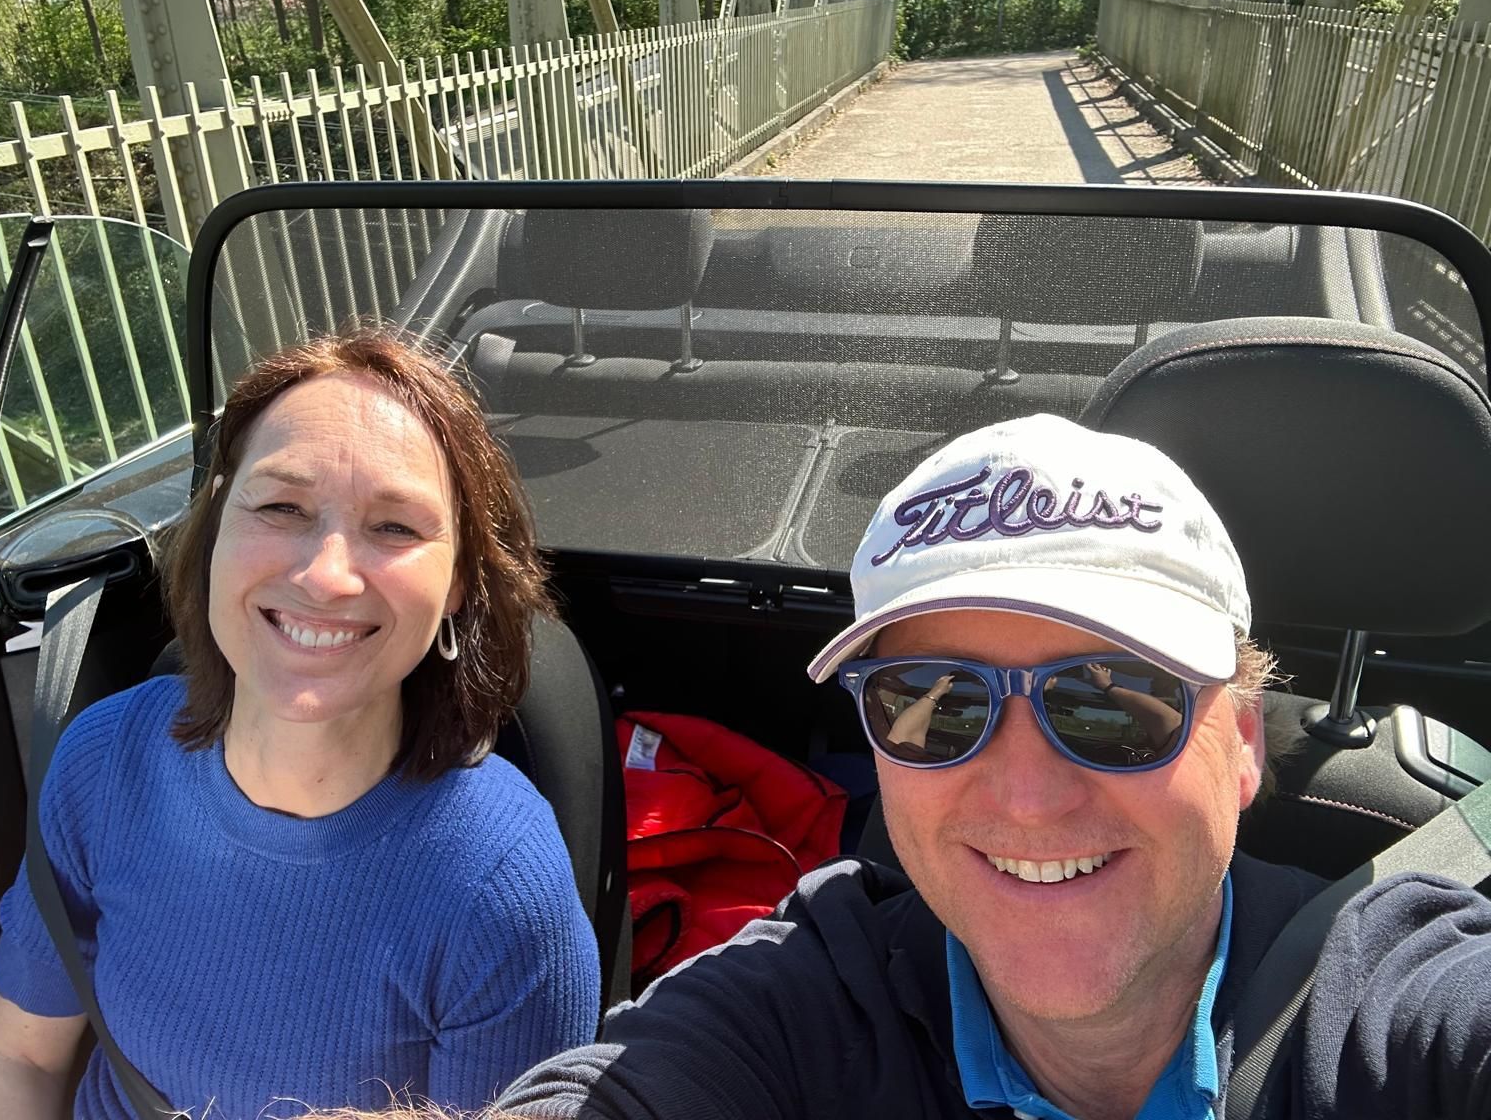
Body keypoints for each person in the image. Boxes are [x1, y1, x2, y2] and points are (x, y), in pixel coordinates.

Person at [488, 413, 1491, 1120]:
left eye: (1107, 704)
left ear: (1241, 742)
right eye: (935, 706)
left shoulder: (1389, 1009)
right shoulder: (810, 1000)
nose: (1024, 794)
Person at [0, 331, 601, 1120]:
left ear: (460, 580)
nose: (326, 575)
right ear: (218, 521)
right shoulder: (103, 761)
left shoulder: (502, 890)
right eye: (282, 505)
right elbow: (17, 1056)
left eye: (396, 527)